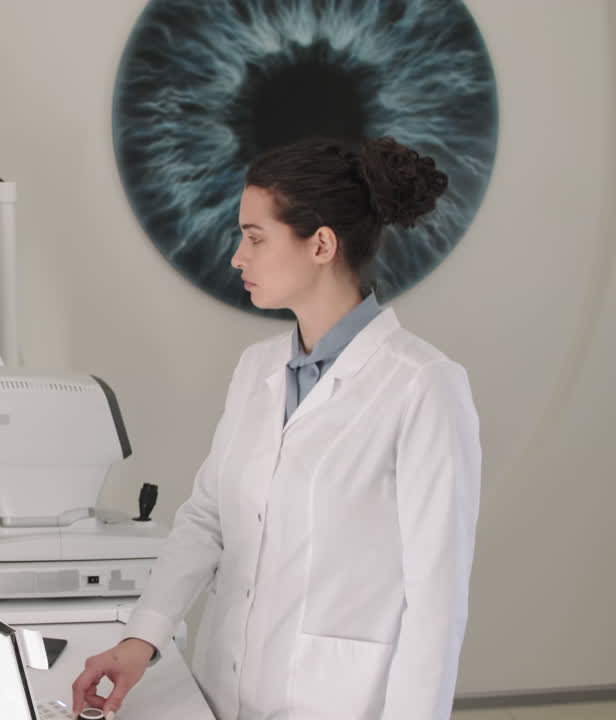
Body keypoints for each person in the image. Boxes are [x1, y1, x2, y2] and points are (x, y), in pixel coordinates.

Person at [73, 137, 481, 720]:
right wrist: (142, 640)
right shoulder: (257, 369)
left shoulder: (424, 387)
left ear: (320, 244)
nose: (239, 257)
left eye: (255, 237)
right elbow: (207, 519)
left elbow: (437, 602)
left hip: (338, 701)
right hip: (223, 688)